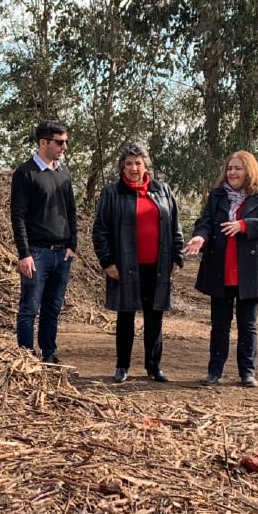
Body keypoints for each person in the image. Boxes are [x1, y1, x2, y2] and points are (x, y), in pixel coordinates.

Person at [183, 150, 258, 388]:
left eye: (238, 168)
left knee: (248, 324)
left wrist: (244, 225)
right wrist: (199, 238)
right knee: (220, 324)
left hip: (250, 270)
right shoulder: (217, 196)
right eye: (229, 168)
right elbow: (205, 222)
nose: (232, 172)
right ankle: (214, 371)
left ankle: (247, 372)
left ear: (249, 170)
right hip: (220, 267)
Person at [92, 142, 183, 383]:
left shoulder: (163, 191)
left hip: (158, 265)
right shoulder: (111, 193)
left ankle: (154, 367)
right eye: (129, 163)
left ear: (146, 166)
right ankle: (122, 366)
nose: (134, 168)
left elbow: (175, 226)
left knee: (155, 317)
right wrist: (107, 261)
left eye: (138, 163)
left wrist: (177, 256)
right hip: (124, 266)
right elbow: (100, 230)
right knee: (125, 316)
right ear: (122, 166)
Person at [10, 120, 77, 364]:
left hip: (62, 254)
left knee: (53, 309)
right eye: (60, 142)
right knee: (30, 308)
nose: (64, 147)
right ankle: (26, 358)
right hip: (36, 253)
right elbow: (17, 216)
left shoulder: (64, 172)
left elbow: (71, 210)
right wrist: (24, 253)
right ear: (43, 143)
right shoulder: (25, 173)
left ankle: (49, 354)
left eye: (65, 141)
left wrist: (73, 246)